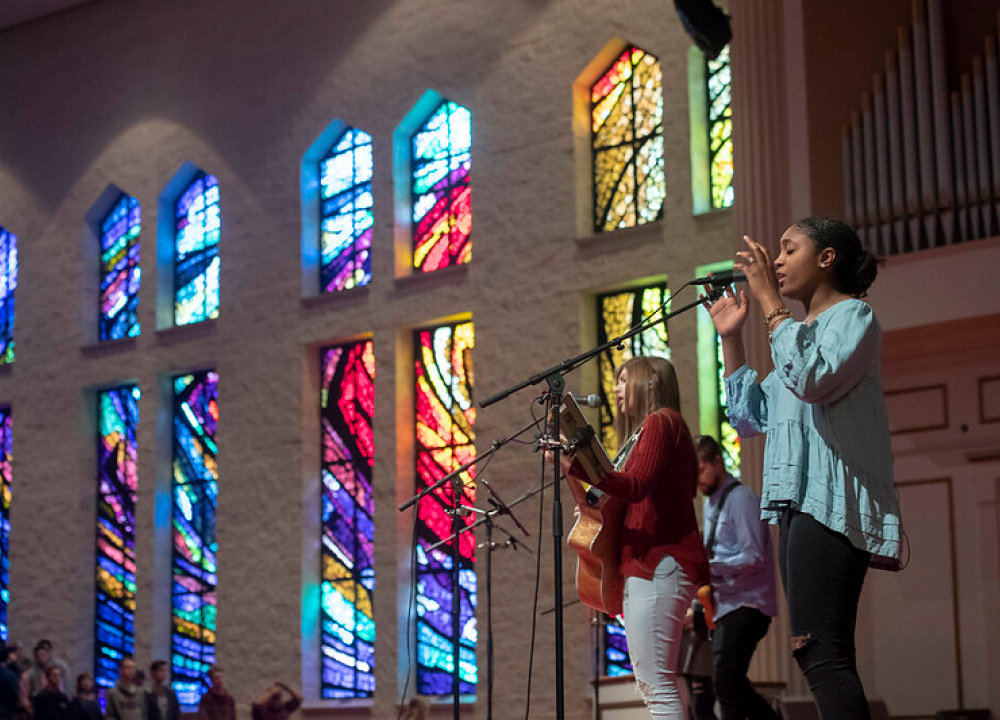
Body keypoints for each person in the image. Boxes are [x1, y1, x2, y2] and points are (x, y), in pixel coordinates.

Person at [705, 218, 902, 719]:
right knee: (814, 651)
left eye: (789, 250)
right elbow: (749, 418)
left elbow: (811, 378)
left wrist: (770, 306)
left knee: (822, 652)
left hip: (829, 504)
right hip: (796, 504)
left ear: (826, 258)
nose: (775, 262)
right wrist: (732, 340)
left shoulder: (853, 317)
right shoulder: (795, 336)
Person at [559, 356, 709, 719]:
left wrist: (580, 464)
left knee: (655, 685)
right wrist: (576, 475)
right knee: (662, 683)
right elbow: (624, 500)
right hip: (657, 565)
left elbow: (636, 486)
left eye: (625, 380)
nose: (616, 389)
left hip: (658, 562)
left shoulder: (660, 422)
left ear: (651, 382)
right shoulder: (654, 429)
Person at [696, 435, 778, 720]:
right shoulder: (711, 503)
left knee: (725, 680)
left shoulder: (742, 499)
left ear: (718, 462)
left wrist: (710, 567)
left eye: (702, 471)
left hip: (748, 604)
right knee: (730, 681)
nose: (699, 481)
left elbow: (754, 556)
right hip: (726, 605)